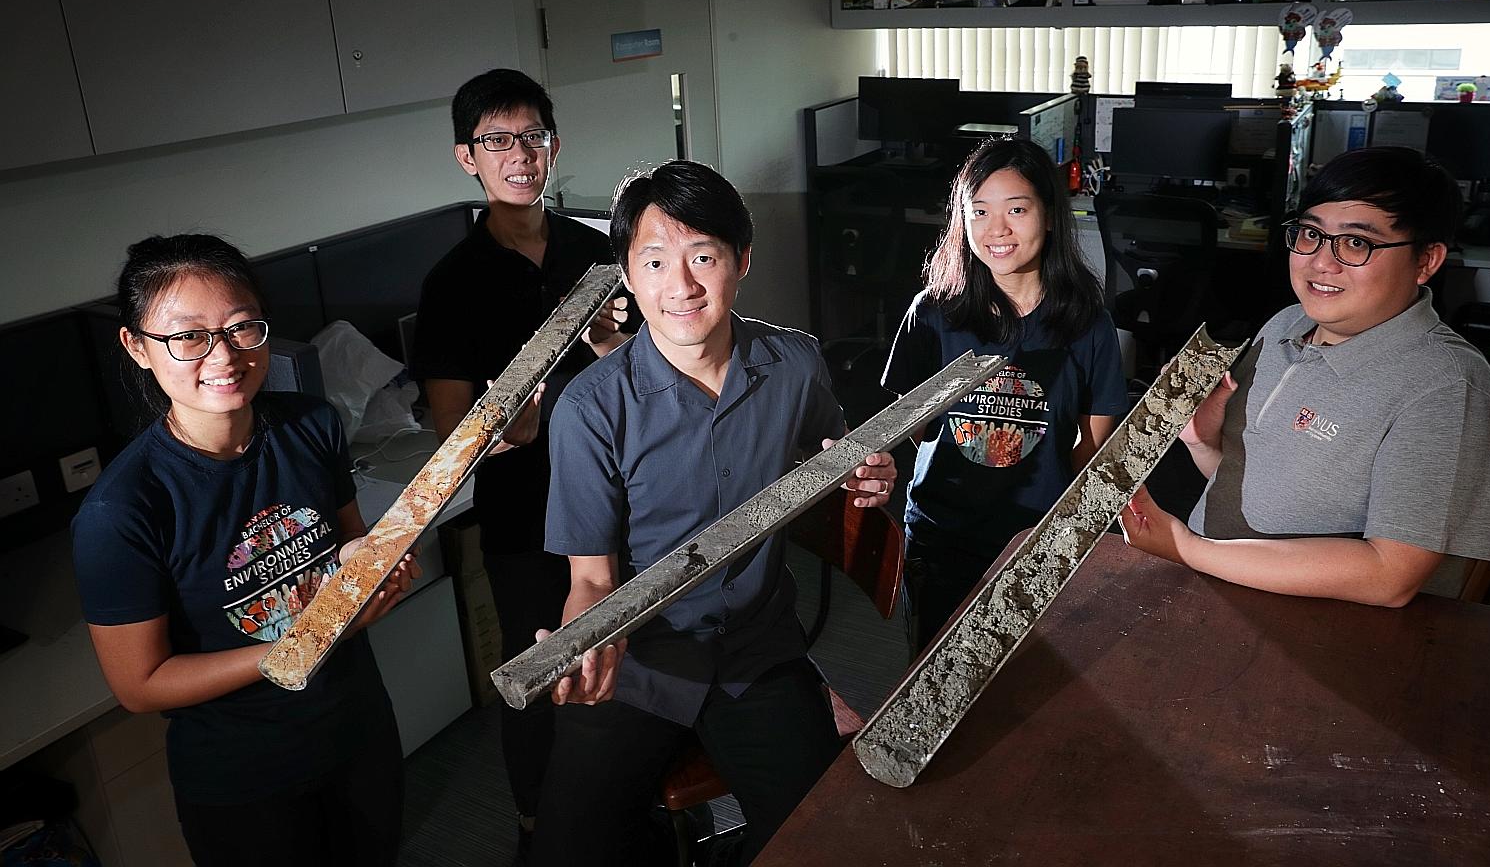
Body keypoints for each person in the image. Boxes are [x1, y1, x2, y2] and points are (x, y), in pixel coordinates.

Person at [532, 161, 898, 866]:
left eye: (703, 256)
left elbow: (833, 467)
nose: (682, 285)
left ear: (742, 261)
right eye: (655, 262)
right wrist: (588, 642)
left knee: (826, 836)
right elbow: (592, 579)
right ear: (627, 275)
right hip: (642, 653)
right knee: (568, 848)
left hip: (759, 648)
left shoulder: (795, 363)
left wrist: (866, 481)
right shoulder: (589, 407)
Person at [72, 234, 419, 867]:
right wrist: (306, 642)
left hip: (356, 727)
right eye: (188, 336)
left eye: (241, 327)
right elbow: (140, 685)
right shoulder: (121, 511)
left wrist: (369, 566)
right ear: (137, 347)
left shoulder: (310, 424)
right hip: (245, 776)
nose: (224, 355)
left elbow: (347, 542)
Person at [1121, 146, 1490, 605]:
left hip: (1321, 629)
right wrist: (1204, 443)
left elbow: (1391, 577)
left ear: (1426, 261)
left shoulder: (1447, 386)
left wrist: (1187, 548)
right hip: (1224, 590)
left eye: (1357, 243)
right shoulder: (1286, 325)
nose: (1321, 262)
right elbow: (1263, 487)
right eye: (1311, 234)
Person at [410, 68, 630, 850]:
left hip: (620, 494)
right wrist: (508, 429)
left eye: (532, 137)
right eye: (497, 141)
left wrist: (611, 343)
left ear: (554, 146)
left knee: (631, 652)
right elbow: (453, 431)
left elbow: (640, 374)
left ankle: (635, 806)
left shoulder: (597, 250)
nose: (519, 155)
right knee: (540, 670)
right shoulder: (451, 283)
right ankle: (537, 824)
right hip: (524, 513)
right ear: (467, 157)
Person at [882, 137, 1128, 654]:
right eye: (979, 212)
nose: (996, 230)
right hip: (942, 534)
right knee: (938, 676)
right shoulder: (934, 313)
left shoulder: (1086, 324)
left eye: (1016, 209)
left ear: (1049, 215)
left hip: (1036, 540)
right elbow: (913, 429)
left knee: (1034, 681)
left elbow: (1091, 449)